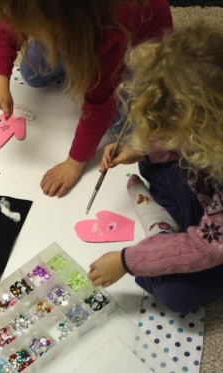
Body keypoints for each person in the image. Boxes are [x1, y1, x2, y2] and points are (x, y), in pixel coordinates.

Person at [87, 24, 223, 314]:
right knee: (152, 163)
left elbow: (207, 248)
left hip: (216, 240)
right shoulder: (208, 129)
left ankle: (166, 235)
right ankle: (169, 229)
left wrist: (127, 261)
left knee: (174, 295)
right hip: (209, 194)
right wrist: (140, 150)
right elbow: (175, 142)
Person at [0, 0, 172, 197]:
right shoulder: (30, 6)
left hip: (140, 44)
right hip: (75, 26)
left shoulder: (108, 34)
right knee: (31, 74)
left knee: (126, 129)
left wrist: (73, 163)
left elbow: (99, 106)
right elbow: (4, 33)